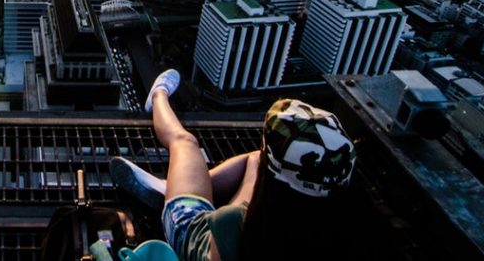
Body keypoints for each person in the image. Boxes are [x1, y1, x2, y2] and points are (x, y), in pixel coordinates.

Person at [110, 70, 356, 261]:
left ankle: (158, 95)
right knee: (258, 159)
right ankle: (174, 185)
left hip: (191, 233)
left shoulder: (234, 222)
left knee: (184, 142)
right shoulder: (342, 235)